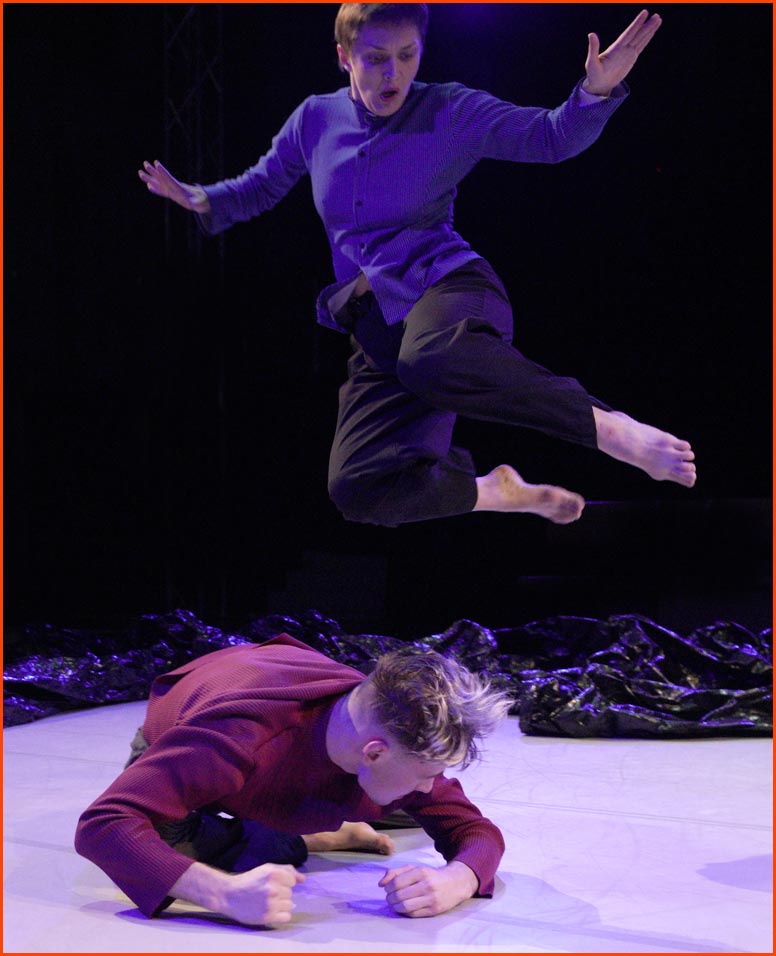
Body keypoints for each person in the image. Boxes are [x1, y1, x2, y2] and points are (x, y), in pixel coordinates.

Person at [139, 4, 696, 528]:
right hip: (379, 325)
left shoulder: (449, 109)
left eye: (407, 55)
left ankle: (608, 428)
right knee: (358, 487)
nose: (394, 74)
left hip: (447, 288)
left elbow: (549, 137)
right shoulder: (315, 119)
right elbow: (261, 186)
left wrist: (595, 90)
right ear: (344, 56)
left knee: (429, 356)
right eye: (376, 58)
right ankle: (491, 492)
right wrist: (200, 198)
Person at [75, 634, 513, 925]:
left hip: (308, 760)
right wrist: (224, 894)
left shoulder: (389, 742)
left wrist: (457, 881)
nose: (431, 785)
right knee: (162, 847)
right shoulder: (236, 736)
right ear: (374, 753)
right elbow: (105, 823)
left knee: (407, 800)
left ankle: (307, 828)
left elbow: (474, 831)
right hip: (188, 727)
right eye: (428, 773)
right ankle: (305, 837)